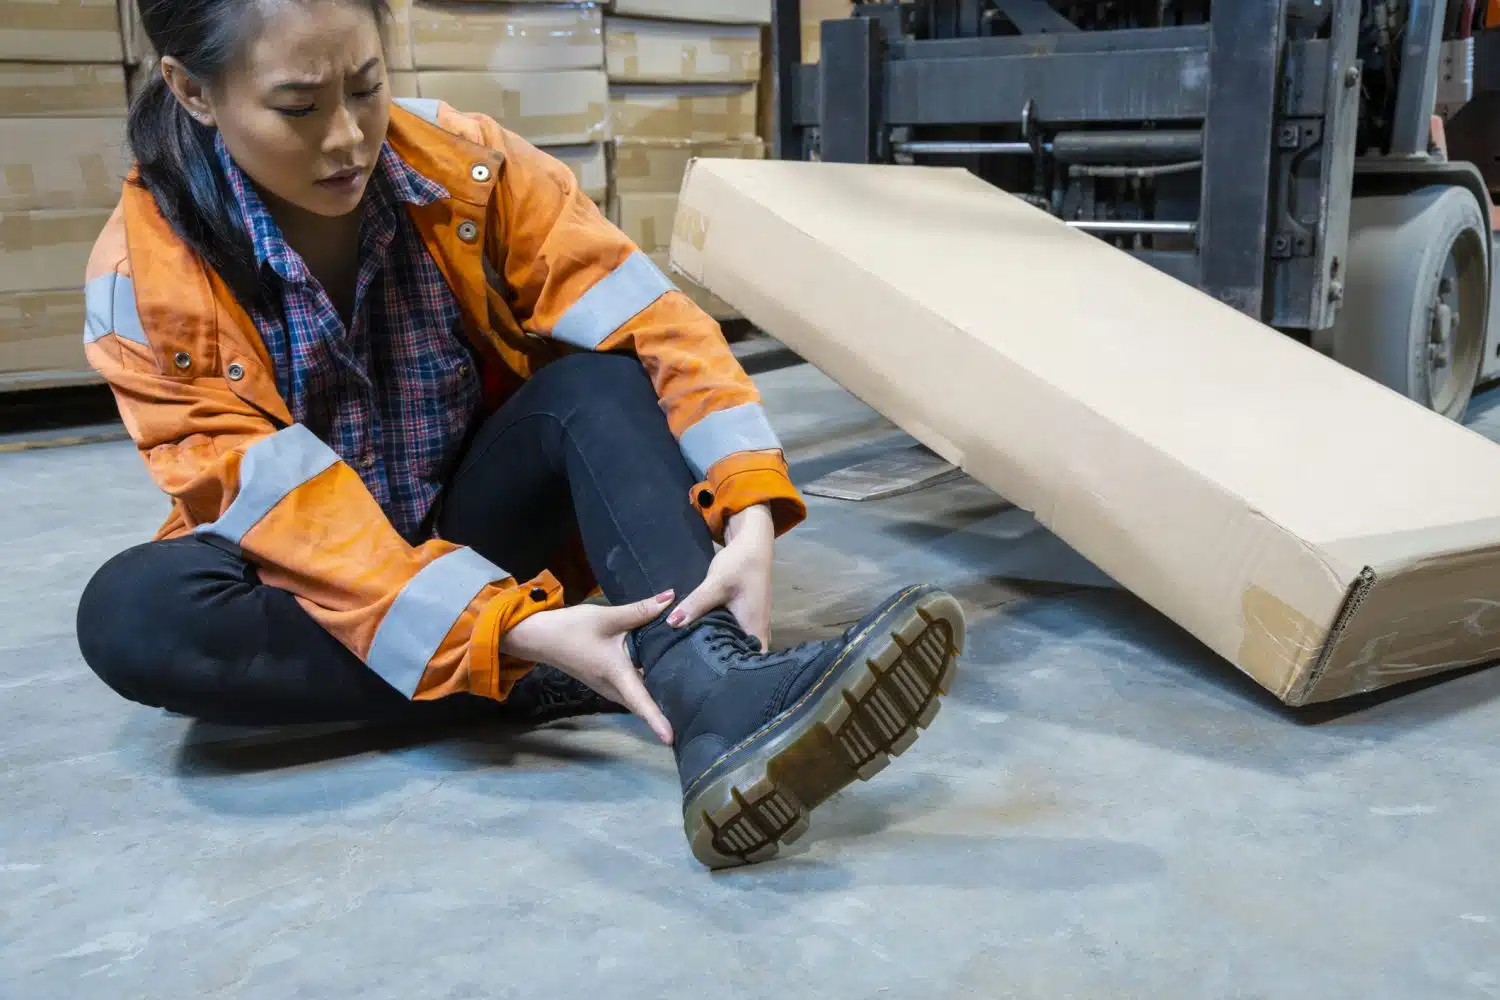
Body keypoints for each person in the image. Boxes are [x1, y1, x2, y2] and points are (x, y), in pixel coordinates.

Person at [75, 0, 966, 870]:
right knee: (133, 614)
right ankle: (557, 669)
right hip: (318, 581)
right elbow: (293, 521)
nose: (347, 137)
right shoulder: (144, 280)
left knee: (595, 380)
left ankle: (709, 684)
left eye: (367, 87)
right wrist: (502, 636)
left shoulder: (470, 167)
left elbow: (654, 323)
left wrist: (751, 505)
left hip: (487, 531)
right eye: (299, 108)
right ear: (192, 91)